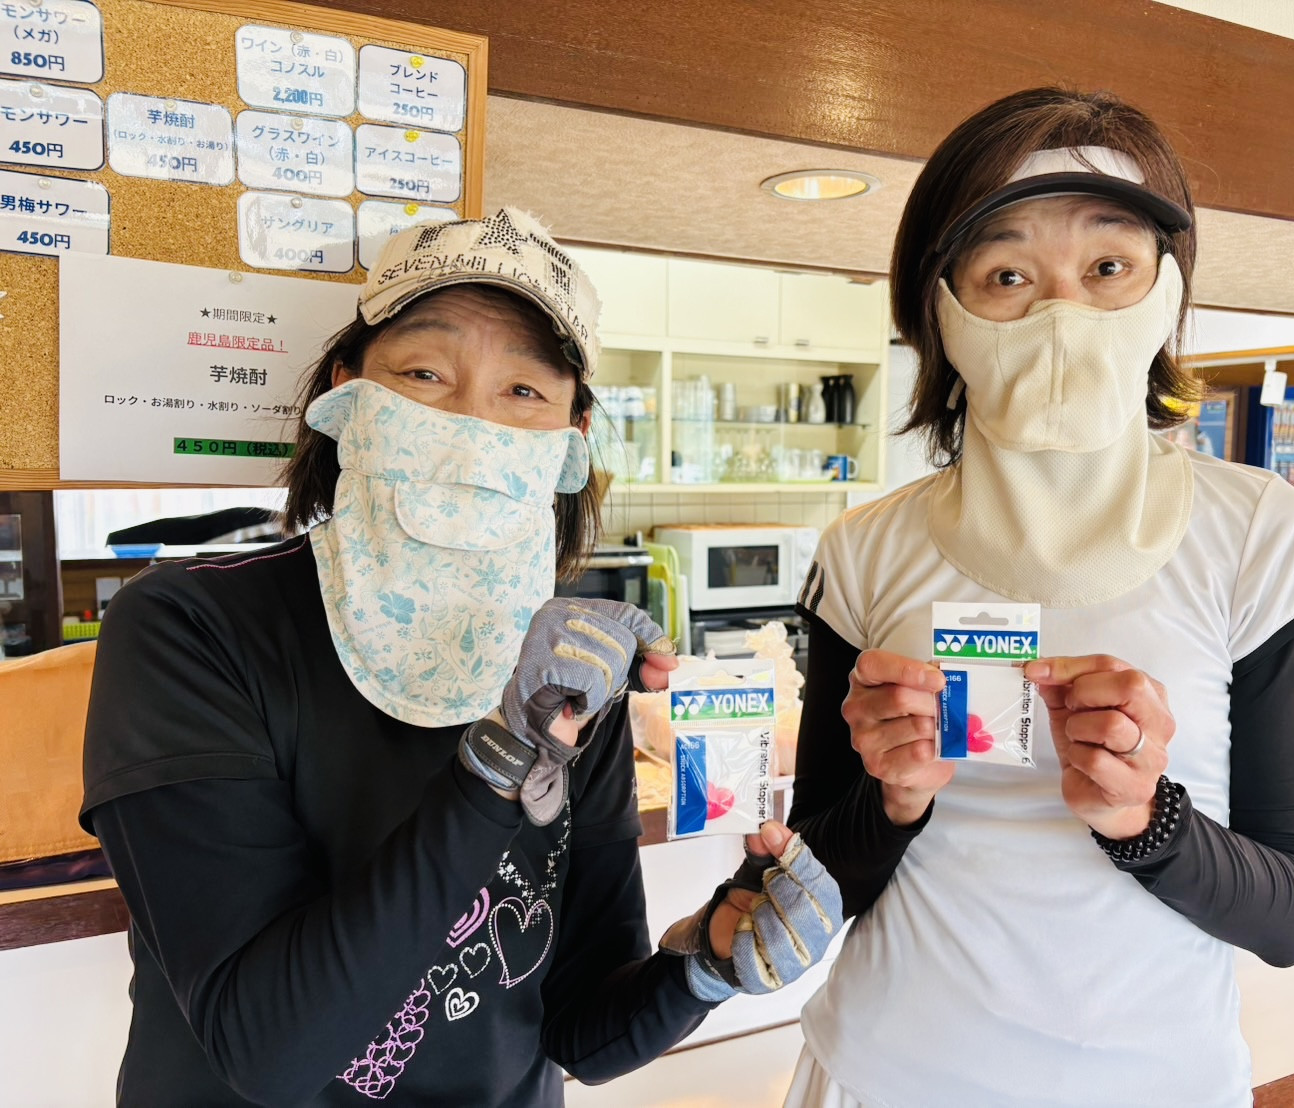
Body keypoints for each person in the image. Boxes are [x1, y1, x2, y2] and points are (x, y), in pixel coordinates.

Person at [80, 210, 841, 1107]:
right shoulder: (191, 626)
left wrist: (706, 963)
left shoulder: (572, 667)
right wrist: (499, 765)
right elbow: (267, 1052)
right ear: (348, 395)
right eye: (424, 374)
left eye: (523, 390)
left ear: (571, 439)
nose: (472, 421)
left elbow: (578, 1031)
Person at [784, 89, 1294, 1107]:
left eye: (1107, 268)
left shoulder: (1263, 535)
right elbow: (813, 882)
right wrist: (893, 800)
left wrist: (1145, 821)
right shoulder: (863, 551)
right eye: (1006, 275)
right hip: (877, 1073)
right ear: (937, 309)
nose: (1061, 315)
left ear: (1167, 289)